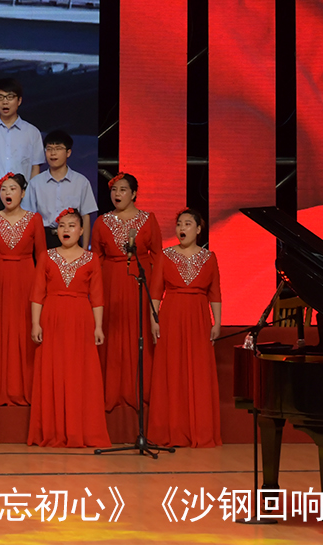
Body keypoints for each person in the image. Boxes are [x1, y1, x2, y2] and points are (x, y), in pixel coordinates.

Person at [28, 207, 109, 448]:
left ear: (81, 231)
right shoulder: (46, 256)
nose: (66, 230)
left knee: (78, 373)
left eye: (71, 226)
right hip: (52, 318)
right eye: (62, 226)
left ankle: (78, 429)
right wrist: (35, 323)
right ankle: (52, 429)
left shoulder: (91, 259)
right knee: (52, 370)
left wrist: (98, 327)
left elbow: (97, 296)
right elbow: (37, 294)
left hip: (81, 320)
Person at [147, 208, 222, 448]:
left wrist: (217, 322)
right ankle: (171, 429)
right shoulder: (165, 255)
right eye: (179, 223)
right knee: (171, 369)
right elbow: (155, 292)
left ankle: (198, 429)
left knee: (198, 370)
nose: (182, 228)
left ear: (198, 229)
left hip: (199, 317)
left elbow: (215, 293)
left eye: (188, 224)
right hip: (171, 315)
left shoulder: (209, 257)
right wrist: (154, 319)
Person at [91, 172, 161, 413]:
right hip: (110, 282)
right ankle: (110, 391)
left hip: (140, 282)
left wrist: (157, 295)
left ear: (134, 194)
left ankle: (139, 391)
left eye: (122, 190)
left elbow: (158, 259)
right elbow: (95, 261)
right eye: (114, 190)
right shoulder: (102, 222)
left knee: (139, 333)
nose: (117, 194)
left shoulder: (148, 219)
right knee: (112, 334)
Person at [0, 172, 46, 407]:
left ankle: (23, 387)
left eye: (13, 189)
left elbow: (42, 257)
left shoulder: (34, 219)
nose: (8, 193)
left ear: (23, 193)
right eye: (4, 189)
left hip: (26, 278)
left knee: (23, 328)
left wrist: (41, 289)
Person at [23, 130, 98, 247]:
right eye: (49, 149)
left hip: (72, 239)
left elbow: (86, 217)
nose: (53, 153)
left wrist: (85, 250)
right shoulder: (35, 183)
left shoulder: (81, 182)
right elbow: (27, 218)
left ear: (68, 152)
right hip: (44, 239)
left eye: (58, 149)